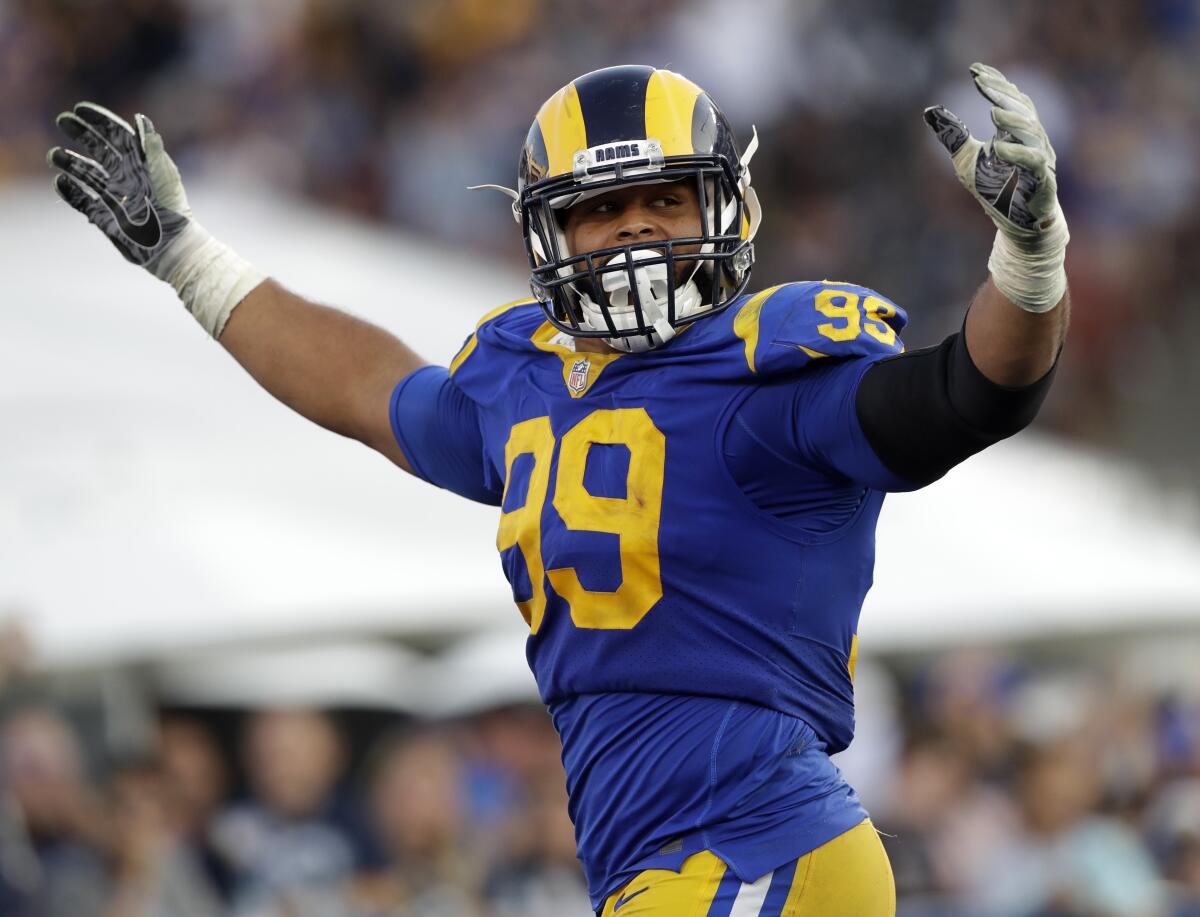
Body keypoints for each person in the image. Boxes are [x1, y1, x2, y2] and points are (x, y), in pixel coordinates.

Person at [47, 62, 1070, 915]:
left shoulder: (769, 377)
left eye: (663, 199)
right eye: (600, 209)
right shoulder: (522, 380)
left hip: (762, 844)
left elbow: (965, 393)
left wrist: (1029, 262)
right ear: (549, 234)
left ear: (722, 204)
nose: (633, 230)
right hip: (654, 862)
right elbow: (367, 390)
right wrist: (192, 262)